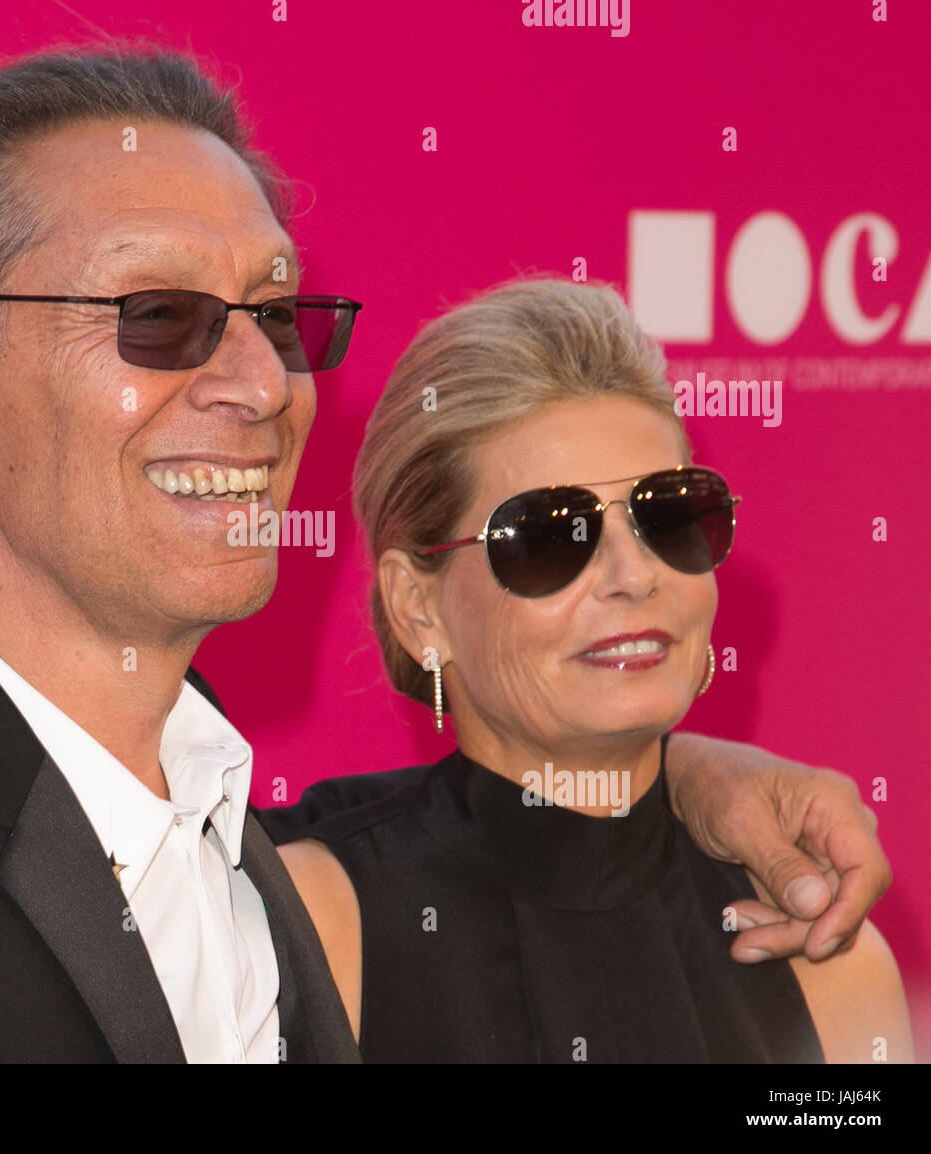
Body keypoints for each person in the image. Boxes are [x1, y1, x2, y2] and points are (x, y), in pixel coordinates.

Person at [0, 46, 892, 1064]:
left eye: (274, 315)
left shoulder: (229, 827)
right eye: (156, 315)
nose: (259, 381)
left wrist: (688, 777)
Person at [265, 278, 913, 1063]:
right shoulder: (313, 925)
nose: (634, 576)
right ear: (418, 608)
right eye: (549, 538)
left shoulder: (829, 964)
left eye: (669, 515)